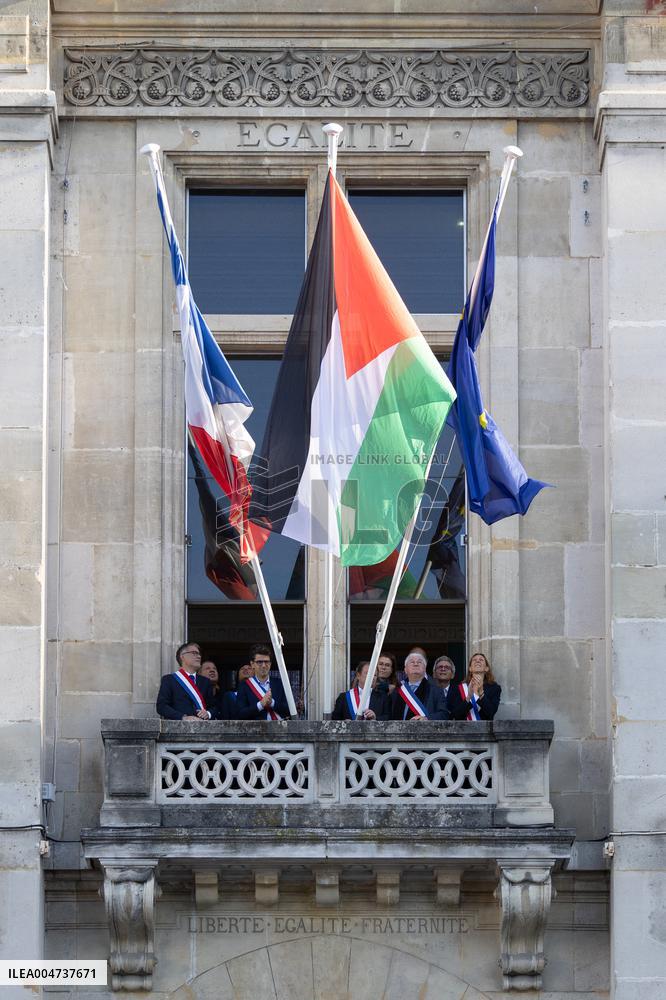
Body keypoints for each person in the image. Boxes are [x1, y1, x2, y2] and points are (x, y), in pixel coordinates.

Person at [156, 642, 216, 720]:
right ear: (182, 656)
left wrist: (208, 713)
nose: (199, 656)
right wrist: (183, 717)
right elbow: (161, 706)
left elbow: (214, 707)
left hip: (202, 725)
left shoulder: (205, 681)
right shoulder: (169, 680)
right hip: (178, 726)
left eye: (199, 654)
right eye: (194, 653)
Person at [389, 651, 449, 721]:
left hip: (424, 728)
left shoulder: (436, 691)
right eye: (412, 662)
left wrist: (427, 719)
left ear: (425, 669)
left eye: (419, 662)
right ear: (405, 670)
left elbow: (444, 714)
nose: (416, 664)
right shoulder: (397, 691)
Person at [235, 644, 291, 720]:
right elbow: (240, 714)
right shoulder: (244, 686)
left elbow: (289, 710)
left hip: (279, 726)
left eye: (266, 662)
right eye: (259, 662)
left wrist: (272, 703)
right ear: (252, 664)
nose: (264, 665)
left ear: (270, 664)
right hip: (256, 727)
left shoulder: (280, 683)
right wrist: (260, 705)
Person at [448, 652, 501, 721]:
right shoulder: (459, 688)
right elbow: (455, 715)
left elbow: (491, 712)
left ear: (486, 668)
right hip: (463, 727)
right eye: (474, 660)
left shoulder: (494, 688)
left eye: (481, 660)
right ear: (470, 668)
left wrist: (481, 694)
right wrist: (468, 697)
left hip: (485, 727)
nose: (477, 661)